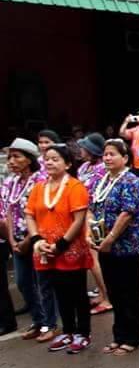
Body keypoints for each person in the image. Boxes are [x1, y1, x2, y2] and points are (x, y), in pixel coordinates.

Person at [25, 144, 93, 353]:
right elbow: (30, 215)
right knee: (59, 292)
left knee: (77, 292)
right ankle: (68, 331)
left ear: (68, 164)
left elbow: (79, 219)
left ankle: (83, 333)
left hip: (70, 249)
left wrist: (61, 244)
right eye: (47, 159)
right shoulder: (39, 188)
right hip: (46, 250)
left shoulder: (75, 187)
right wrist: (37, 240)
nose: (50, 162)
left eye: (55, 159)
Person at [88, 139, 139, 355]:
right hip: (104, 245)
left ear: (125, 158)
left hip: (126, 245)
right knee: (114, 291)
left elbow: (127, 213)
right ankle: (119, 335)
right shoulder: (100, 181)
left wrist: (111, 237)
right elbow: (91, 208)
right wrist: (91, 233)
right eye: (105, 154)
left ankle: (132, 337)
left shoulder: (132, 181)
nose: (108, 158)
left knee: (129, 291)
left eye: (112, 154)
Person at [1, 139, 56, 340]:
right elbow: (7, 211)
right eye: (10, 157)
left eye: (17, 157)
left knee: (44, 282)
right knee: (23, 282)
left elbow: (41, 213)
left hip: (37, 238)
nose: (11, 161)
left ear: (29, 159)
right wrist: (12, 240)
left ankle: (51, 324)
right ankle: (38, 320)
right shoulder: (11, 182)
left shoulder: (41, 180)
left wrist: (28, 240)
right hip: (16, 240)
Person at [76, 133, 111, 315]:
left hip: (95, 216)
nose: (80, 150)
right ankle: (102, 293)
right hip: (82, 215)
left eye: (84, 147)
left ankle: (107, 298)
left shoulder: (102, 170)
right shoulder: (84, 167)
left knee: (94, 259)